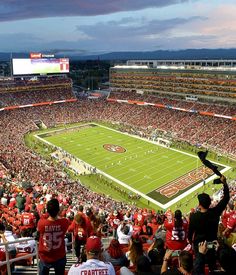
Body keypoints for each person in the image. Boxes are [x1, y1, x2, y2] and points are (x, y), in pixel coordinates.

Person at [188, 175, 230, 271]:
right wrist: (224, 183)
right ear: (209, 203)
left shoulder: (194, 216)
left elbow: (190, 234)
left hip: (199, 244)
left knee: (199, 264)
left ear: (199, 205)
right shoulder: (215, 212)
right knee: (212, 263)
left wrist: (190, 241)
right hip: (212, 243)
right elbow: (226, 197)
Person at [37, 198, 69, 275]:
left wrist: (49, 212)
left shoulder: (41, 223)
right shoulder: (64, 222)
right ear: (58, 210)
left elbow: (44, 217)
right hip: (59, 255)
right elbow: (61, 219)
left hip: (45, 255)